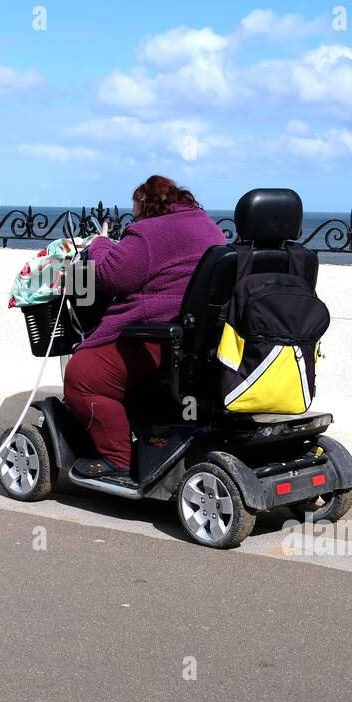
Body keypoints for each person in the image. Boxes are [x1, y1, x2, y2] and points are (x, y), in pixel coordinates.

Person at [63, 175, 227, 482]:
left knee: (81, 375)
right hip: (199, 341)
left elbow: (116, 277)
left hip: (157, 336)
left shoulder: (148, 232)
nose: (133, 214)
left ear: (145, 204)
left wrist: (99, 244)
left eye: (135, 208)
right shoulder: (207, 226)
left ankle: (117, 458)